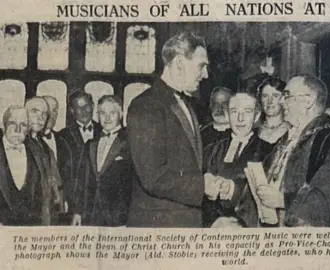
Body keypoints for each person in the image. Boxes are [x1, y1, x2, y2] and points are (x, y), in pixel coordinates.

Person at [127, 32, 218, 227]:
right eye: (201, 66)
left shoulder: (185, 103)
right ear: (179, 62)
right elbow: (153, 177)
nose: (206, 75)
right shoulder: (146, 105)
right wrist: (202, 185)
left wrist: (204, 179)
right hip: (159, 227)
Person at [258, 75, 330, 227]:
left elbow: (329, 197)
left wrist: (283, 200)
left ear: (309, 101)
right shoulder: (288, 138)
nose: (282, 101)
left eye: (287, 95)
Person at [203, 93, 273, 228]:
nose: (240, 119)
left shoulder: (268, 151)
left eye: (247, 112)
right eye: (235, 112)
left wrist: (233, 189)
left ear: (256, 116)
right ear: (228, 115)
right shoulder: (211, 148)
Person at [72, 96, 134, 227]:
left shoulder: (130, 142)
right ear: (97, 115)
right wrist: (78, 212)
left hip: (119, 217)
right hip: (92, 216)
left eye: (112, 113)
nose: (107, 118)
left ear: (121, 114)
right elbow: (82, 180)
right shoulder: (90, 144)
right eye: (102, 113)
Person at [0, 106, 42, 225]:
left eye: (23, 125)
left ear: (28, 129)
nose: (17, 130)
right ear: (4, 126)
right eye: (13, 123)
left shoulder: (36, 152)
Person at [24, 97, 63, 225]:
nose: (40, 118)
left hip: (45, 218)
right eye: (35, 111)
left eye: (44, 114)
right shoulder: (15, 144)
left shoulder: (45, 148)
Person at [41, 95, 73, 214]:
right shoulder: (28, 141)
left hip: (61, 206)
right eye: (48, 109)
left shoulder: (63, 140)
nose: (52, 114)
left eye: (55, 110)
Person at [256, 77, 291, 144]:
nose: (269, 101)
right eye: (265, 96)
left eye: (275, 96)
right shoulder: (255, 132)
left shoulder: (291, 131)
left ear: (284, 99)